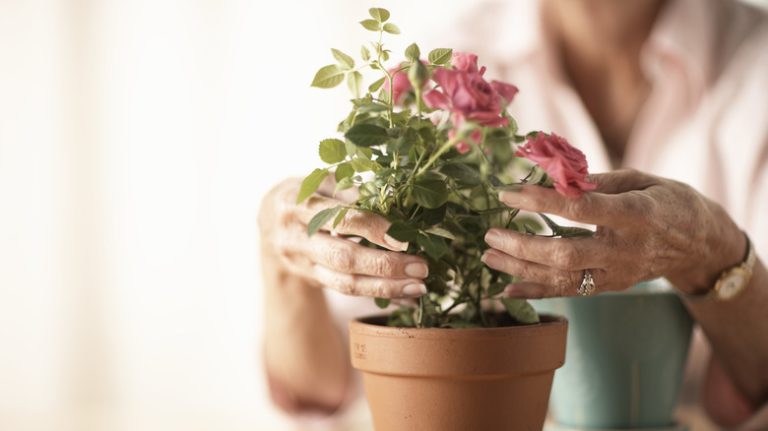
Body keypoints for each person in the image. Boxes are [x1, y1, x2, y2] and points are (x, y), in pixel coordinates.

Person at [258, 0, 768, 428]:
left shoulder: (755, 65)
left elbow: (752, 387)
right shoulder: (447, 68)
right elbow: (323, 385)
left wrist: (714, 249)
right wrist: (286, 261)